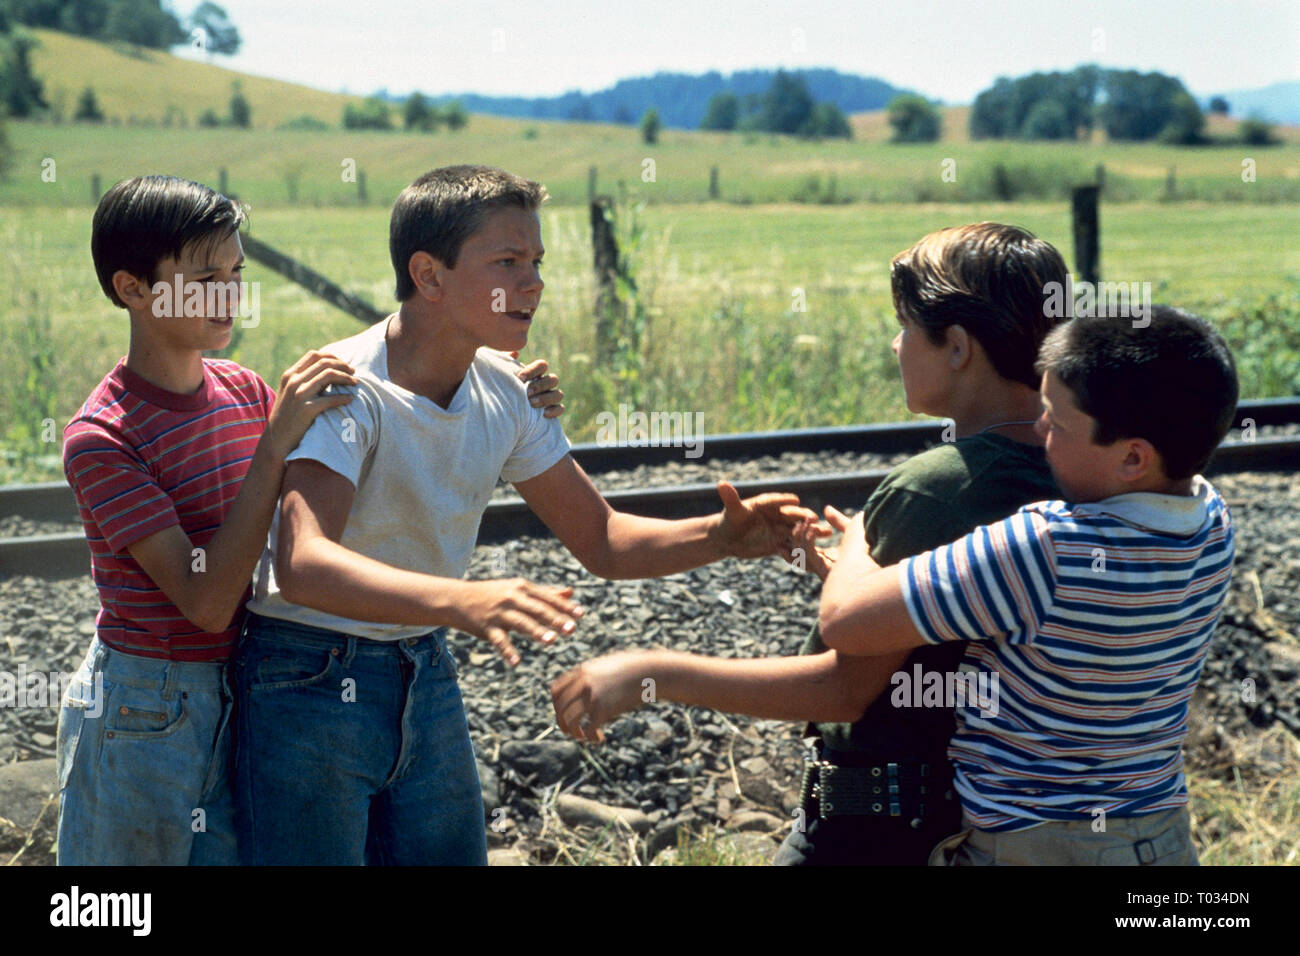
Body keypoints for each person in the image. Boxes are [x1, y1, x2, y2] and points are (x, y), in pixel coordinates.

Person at [232, 164, 816, 865]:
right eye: (507, 261)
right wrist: (463, 599)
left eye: (536, 261)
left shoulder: (505, 390)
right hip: (308, 678)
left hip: (423, 662)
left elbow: (602, 539)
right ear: (429, 275)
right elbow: (302, 564)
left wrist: (720, 536)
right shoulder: (348, 388)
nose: (534, 281)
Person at [56, 174, 564, 866]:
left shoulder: (242, 390)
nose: (231, 294)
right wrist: (274, 445)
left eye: (236, 272)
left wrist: (501, 376)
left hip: (239, 690)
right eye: (206, 276)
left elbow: (380, 409)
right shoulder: (103, 437)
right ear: (132, 288)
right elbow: (206, 600)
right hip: (147, 707)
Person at [551, 222, 1070, 864]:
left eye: (906, 326)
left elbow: (843, 690)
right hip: (963, 818)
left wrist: (649, 674)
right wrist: (836, 570)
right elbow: (946, 620)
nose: (896, 342)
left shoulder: (935, 487)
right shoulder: (1066, 464)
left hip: (877, 828)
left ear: (958, 347)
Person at [816, 307, 1238, 865]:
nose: (1040, 433)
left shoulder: (1046, 548)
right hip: (1158, 837)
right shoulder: (1211, 522)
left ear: (1134, 456)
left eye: (1056, 423)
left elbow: (844, 620)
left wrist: (857, 543)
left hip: (1035, 846)